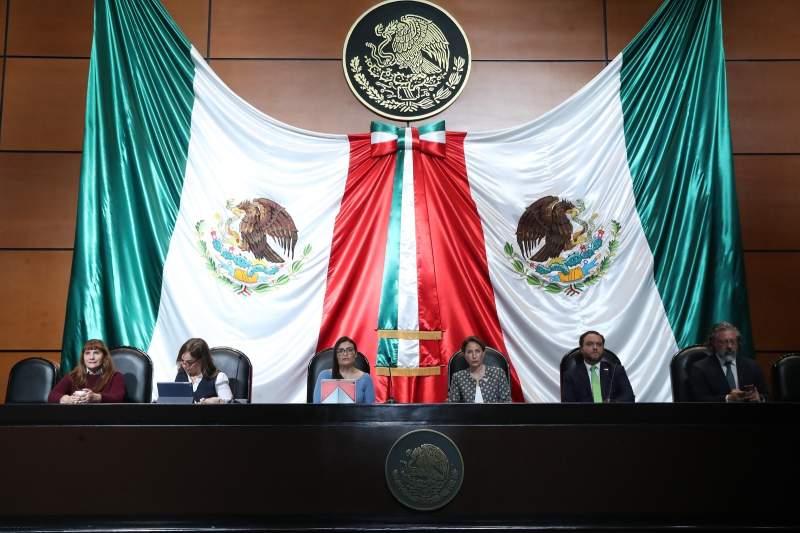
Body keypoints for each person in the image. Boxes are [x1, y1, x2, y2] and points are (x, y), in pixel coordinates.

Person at [690, 322, 767, 402]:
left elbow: (766, 396)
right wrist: (728, 398)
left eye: (733, 342)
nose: (729, 346)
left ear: (738, 343)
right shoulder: (700, 368)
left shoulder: (752, 366)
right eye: (723, 342)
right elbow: (699, 400)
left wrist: (760, 398)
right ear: (714, 343)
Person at [561, 330, 635, 403]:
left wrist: (612, 403)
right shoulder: (570, 375)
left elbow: (629, 397)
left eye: (599, 344)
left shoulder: (616, 370)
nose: (595, 347)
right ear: (581, 349)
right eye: (589, 344)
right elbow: (568, 403)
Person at [48, 339, 126, 403]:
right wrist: (67, 399)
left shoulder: (115, 376)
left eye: (96, 353)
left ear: (104, 357)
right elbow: (52, 396)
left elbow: (118, 397)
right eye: (87, 353)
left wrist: (97, 397)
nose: (91, 357)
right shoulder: (72, 376)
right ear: (83, 357)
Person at [447, 336, 511, 403]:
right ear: (464, 355)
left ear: (483, 353)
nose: (474, 356)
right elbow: (452, 405)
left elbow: (506, 403)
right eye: (469, 352)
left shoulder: (498, 373)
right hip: (466, 410)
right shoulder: (458, 377)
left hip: (495, 410)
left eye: (477, 351)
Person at [313, 336, 375, 404]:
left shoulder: (366, 378)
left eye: (349, 350)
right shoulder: (324, 376)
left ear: (355, 354)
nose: (345, 354)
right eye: (341, 351)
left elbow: (370, 408)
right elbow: (317, 407)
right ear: (336, 356)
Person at [175, 338, 232, 404]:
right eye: (182, 361)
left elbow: (229, 401)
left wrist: (218, 401)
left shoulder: (219, 377)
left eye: (189, 362)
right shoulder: (180, 375)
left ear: (202, 360)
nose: (184, 366)